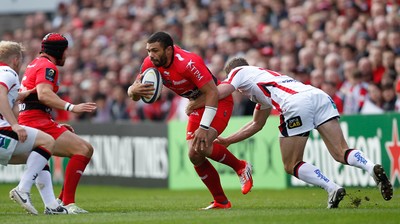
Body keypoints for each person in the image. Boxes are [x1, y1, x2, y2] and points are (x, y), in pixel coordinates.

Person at [190, 57, 393, 209]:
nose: (239, 92)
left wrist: (194, 105)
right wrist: (227, 140)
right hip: (318, 95)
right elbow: (256, 124)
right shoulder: (263, 84)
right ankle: (371, 166)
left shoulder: (239, 71)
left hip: (296, 104)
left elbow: (220, 92)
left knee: (291, 164)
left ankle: (332, 188)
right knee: (341, 152)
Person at [127, 31, 253, 209]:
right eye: (148, 51)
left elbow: (212, 93)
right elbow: (135, 91)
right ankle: (221, 201)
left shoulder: (189, 63)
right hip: (196, 104)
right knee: (194, 155)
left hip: (217, 102)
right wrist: (132, 92)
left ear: (169, 50)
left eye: (155, 50)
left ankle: (241, 166)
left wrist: (203, 126)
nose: (150, 55)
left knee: (201, 145)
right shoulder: (150, 63)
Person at [18, 33, 97, 214]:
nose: (67, 55)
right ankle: (67, 202)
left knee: (65, 152)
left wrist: (54, 122)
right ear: (59, 51)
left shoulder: (34, 63)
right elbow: (44, 94)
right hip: (35, 120)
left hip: (34, 118)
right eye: (66, 51)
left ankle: (57, 203)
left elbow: (35, 97)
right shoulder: (48, 66)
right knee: (84, 149)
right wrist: (72, 107)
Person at [0, 40, 68, 215]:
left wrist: (26, 94)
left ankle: (52, 205)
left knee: (37, 155)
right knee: (47, 142)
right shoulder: (7, 72)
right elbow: (0, 95)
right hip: (2, 132)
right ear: (15, 59)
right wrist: (14, 125)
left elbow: (8, 98)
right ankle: (22, 189)